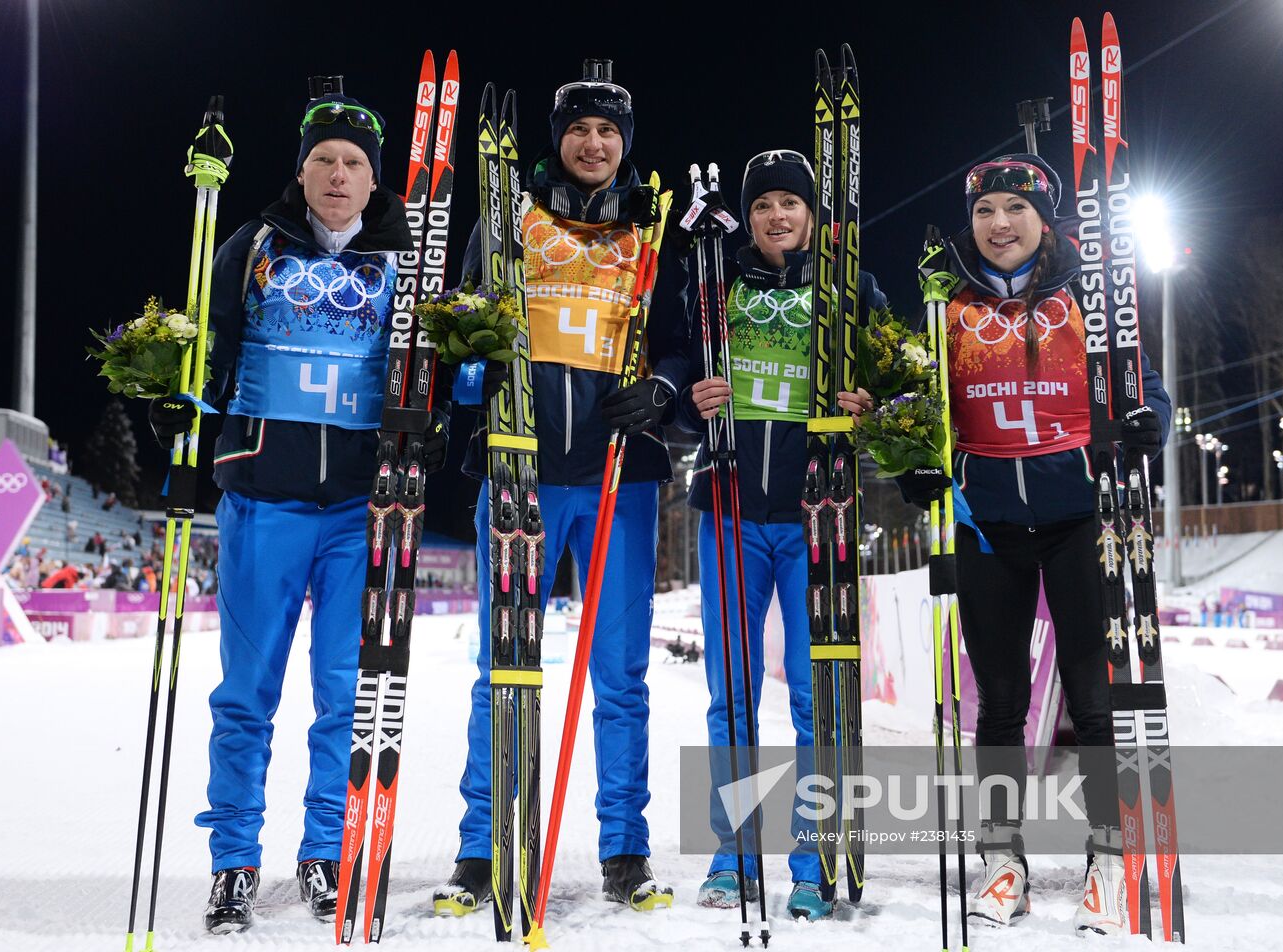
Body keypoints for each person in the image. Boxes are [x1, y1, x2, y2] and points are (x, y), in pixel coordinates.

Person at [147, 84, 446, 935]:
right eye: (325, 162)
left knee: (343, 697)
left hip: (362, 508)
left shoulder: (402, 263)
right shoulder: (254, 244)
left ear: (375, 178)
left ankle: (325, 853)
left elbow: (428, 377)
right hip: (264, 500)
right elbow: (208, 349)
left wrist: (433, 417)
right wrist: (184, 407)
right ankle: (234, 863)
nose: (340, 176)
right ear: (304, 171)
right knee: (246, 694)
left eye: (354, 164)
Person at [847, 154, 1170, 935]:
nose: (999, 225)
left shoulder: (1086, 301)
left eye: (1014, 211)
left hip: (1080, 520)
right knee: (999, 705)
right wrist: (912, 458)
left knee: (1095, 704)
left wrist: (1148, 422)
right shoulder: (944, 306)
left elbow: (1143, 385)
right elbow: (912, 405)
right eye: (986, 211)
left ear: (1043, 220)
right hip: (986, 521)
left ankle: (1106, 857)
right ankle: (1003, 859)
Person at [437, 62, 690, 916]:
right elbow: (463, 319)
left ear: (625, 146)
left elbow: (686, 341)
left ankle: (625, 846)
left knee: (621, 674)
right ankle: (484, 845)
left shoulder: (647, 231)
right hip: (522, 469)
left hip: (619, 475)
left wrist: (661, 389)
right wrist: (468, 365)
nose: (593, 144)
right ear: (559, 139)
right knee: (503, 665)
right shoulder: (510, 218)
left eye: (608, 132)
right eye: (580, 129)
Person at [678, 150, 886, 922]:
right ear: (748, 215)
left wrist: (870, 398)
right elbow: (674, 362)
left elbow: (893, 373)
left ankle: (812, 856)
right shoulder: (713, 284)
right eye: (762, 203)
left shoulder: (850, 289)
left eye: (789, 203)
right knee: (731, 699)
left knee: (814, 699)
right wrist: (688, 397)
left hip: (815, 517)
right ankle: (733, 857)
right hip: (729, 510)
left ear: (813, 215)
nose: (776, 216)